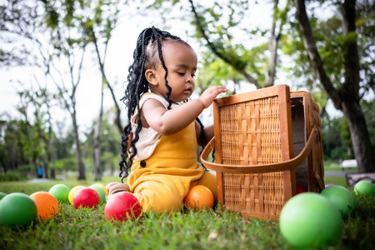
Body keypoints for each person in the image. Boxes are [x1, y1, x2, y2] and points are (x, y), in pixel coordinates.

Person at [111, 26, 227, 214]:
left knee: (226, 189)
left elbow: (202, 139)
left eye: (193, 74)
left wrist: (224, 123)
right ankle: (133, 194)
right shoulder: (150, 102)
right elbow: (164, 124)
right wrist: (201, 102)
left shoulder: (184, 109)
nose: (189, 79)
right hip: (158, 177)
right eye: (181, 73)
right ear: (152, 77)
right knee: (162, 203)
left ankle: (185, 193)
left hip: (193, 175)